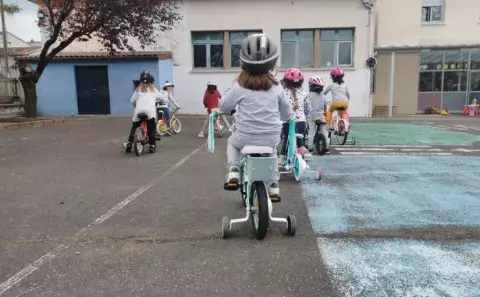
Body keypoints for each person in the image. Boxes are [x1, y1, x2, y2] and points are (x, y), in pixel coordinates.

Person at [219, 33, 291, 197]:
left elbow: (224, 106)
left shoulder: (239, 86)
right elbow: (286, 113)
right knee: (273, 150)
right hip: (271, 137)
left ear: (244, 61)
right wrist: (285, 117)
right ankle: (273, 184)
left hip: (245, 136)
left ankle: (234, 170)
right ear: (272, 62)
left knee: (232, 143)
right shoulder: (277, 87)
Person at [279, 68, 311, 163]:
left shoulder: (282, 93)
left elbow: (279, 108)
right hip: (301, 123)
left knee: (287, 138)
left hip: (287, 123)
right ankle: (303, 150)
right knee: (299, 137)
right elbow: (308, 109)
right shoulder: (304, 94)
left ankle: (281, 158)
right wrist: (303, 115)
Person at [125, 71, 158, 153]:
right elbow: (162, 98)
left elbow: (132, 100)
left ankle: (129, 143)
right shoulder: (153, 90)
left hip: (138, 112)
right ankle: (152, 145)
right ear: (151, 81)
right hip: (149, 113)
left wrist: (136, 106)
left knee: (134, 128)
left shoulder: (138, 89)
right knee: (151, 129)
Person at [307, 76, 329, 153]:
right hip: (321, 117)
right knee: (324, 131)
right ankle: (326, 147)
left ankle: (310, 148)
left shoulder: (308, 96)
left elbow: (305, 106)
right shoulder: (323, 97)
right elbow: (325, 107)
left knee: (311, 131)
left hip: (311, 117)